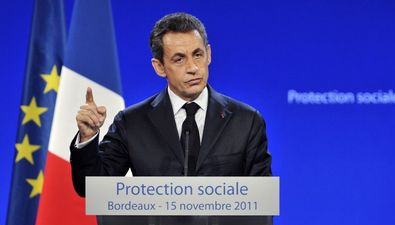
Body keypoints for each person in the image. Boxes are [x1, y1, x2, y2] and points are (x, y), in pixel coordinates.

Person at [71, 12, 271, 197]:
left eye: (198, 54)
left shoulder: (246, 121)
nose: (192, 68)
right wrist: (88, 138)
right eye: (179, 59)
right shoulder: (131, 123)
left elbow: (260, 200)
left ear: (209, 54)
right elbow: (92, 189)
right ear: (159, 67)